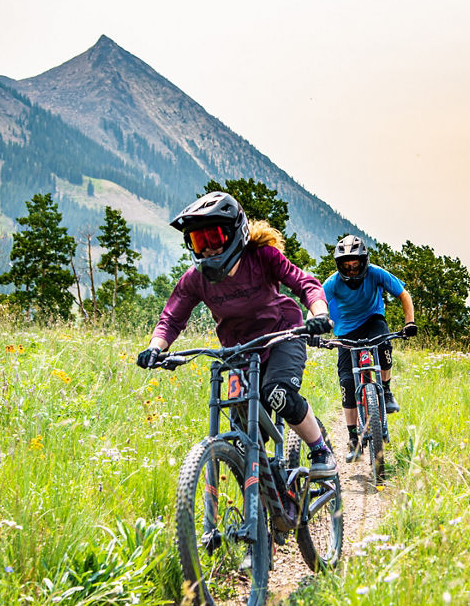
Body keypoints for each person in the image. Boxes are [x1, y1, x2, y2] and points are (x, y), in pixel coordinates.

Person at [136, 191, 337, 477]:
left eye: (213, 238)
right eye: (198, 241)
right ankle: (266, 494)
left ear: (236, 233)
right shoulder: (196, 279)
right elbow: (171, 317)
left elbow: (305, 283)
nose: (206, 250)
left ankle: (320, 450)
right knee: (242, 433)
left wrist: (319, 314)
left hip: (283, 335)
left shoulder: (263, 257)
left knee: (278, 394)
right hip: (239, 351)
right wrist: (156, 347)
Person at [322, 235, 416, 461]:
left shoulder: (376, 273)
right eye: (347, 266)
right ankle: (353, 439)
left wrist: (409, 323)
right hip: (346, 330)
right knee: (346, 381)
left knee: (384, 344)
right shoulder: (332, 283)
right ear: (339, 266)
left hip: (373, 320)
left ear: (364, 262)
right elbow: (317, 303)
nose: (352, 271)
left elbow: (404, 295)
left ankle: (386, 389)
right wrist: (313, 328)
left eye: (355, 266)